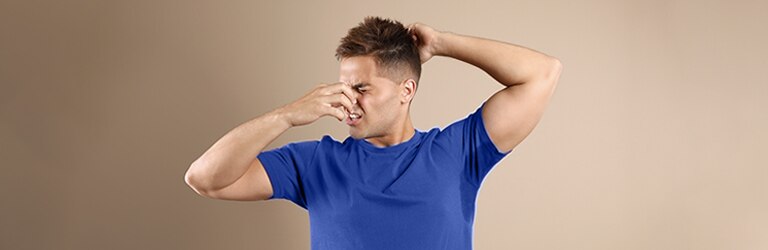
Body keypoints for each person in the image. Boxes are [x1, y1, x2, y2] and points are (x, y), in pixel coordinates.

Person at [185, 16, 562, 250]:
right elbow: (204, 178)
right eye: (344, 87)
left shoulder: (457, 152)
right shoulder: (317, 162)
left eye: (362, 88)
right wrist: (286, 116)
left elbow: (542, 73)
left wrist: (441, 43)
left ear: (406, 91)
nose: (348, 99)